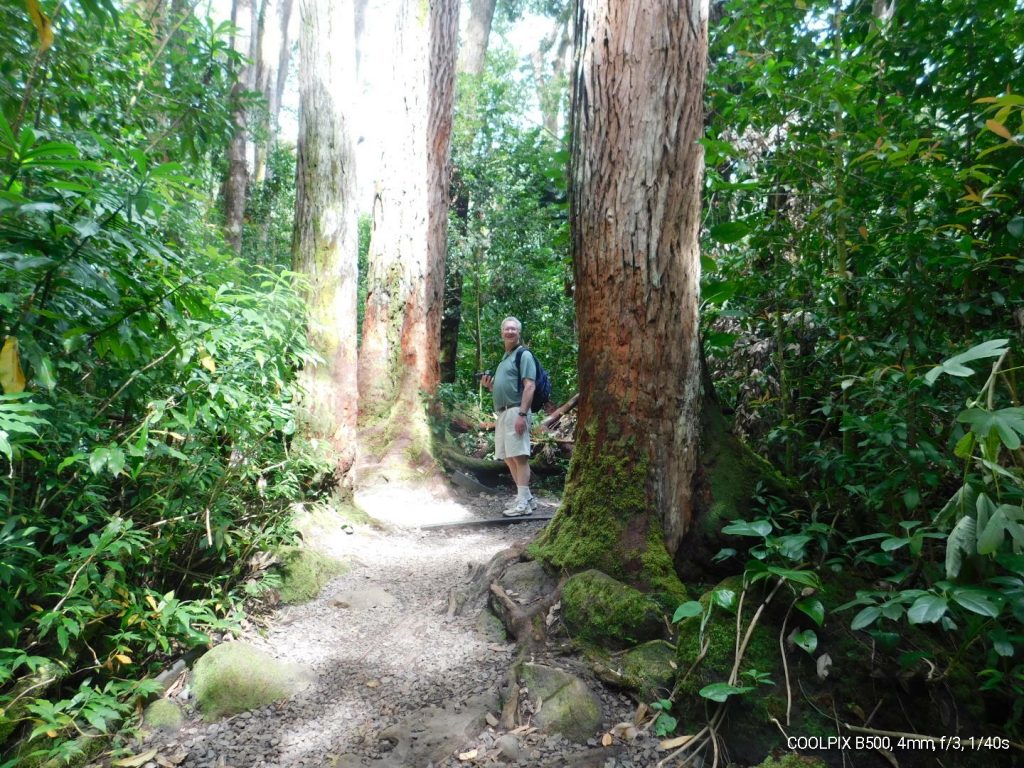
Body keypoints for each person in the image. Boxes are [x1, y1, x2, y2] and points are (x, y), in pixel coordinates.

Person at [481, 316, 537, 517]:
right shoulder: (505, 358)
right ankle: (527, 498)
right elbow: (505, 387)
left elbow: (530, 385)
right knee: (507, 457)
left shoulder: (524, 355)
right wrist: (490, 386)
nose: (510, 332)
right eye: (507, 329)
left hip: (516, 411)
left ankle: (522, 502)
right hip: (503, 413)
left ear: (518, 332)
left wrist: (522, 414)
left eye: (514, 329)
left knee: (520, 457)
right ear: (501, 332)